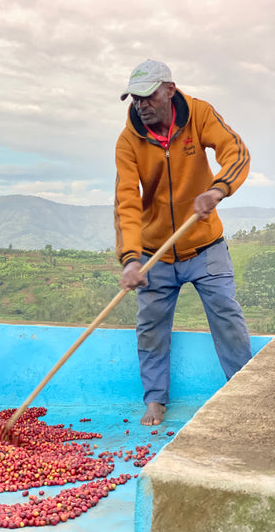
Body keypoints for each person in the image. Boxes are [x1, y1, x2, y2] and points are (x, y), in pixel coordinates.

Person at [114, 59, 252, 426]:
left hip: (206, 246)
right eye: (135, 98)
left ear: (169, 90)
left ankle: (245, 393)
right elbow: (126, 202)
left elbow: (235, 151)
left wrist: (218, 189)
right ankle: (155, 400)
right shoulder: (128, 141)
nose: (141, 105)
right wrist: (131, 259)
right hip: (154, 254)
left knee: (227, 316)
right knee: (150, 328)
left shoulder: (199, 114)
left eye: (148, 96)